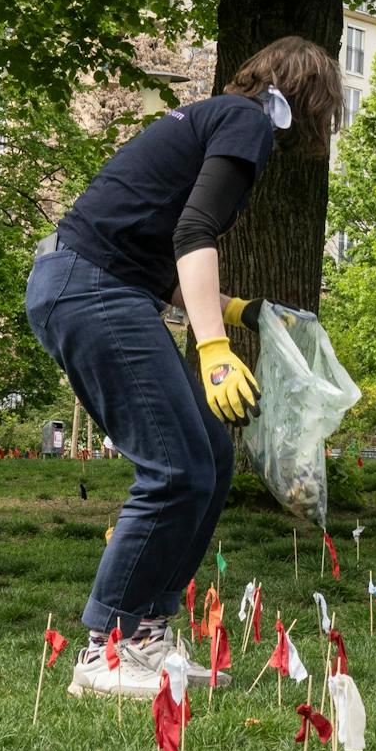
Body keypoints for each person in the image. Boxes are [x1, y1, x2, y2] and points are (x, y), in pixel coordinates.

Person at [26, 36, 342, 697]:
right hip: (92, 289)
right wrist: (214, 352)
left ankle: (144, 636)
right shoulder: (246, 120)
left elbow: (155, 255)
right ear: (308, 99)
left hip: (99, 283)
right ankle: (105, 651)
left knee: (208, 461)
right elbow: (193, 233)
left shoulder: (212, 119)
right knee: (173, 468)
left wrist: (239, 313)